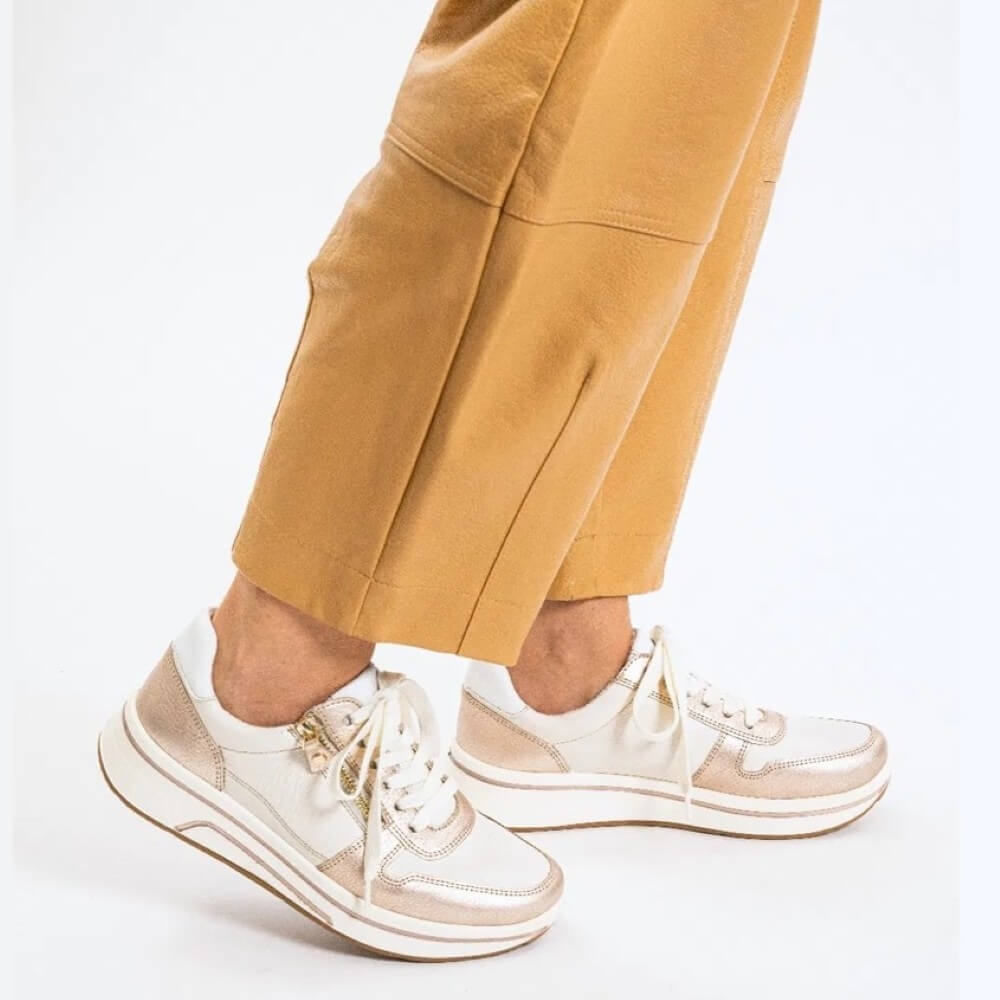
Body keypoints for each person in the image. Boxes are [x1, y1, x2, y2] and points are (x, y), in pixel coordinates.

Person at [98, 0, 888, 961]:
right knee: (554, 73)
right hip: (261, 678)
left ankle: (568, 660)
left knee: (691, 89)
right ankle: (266, 679)